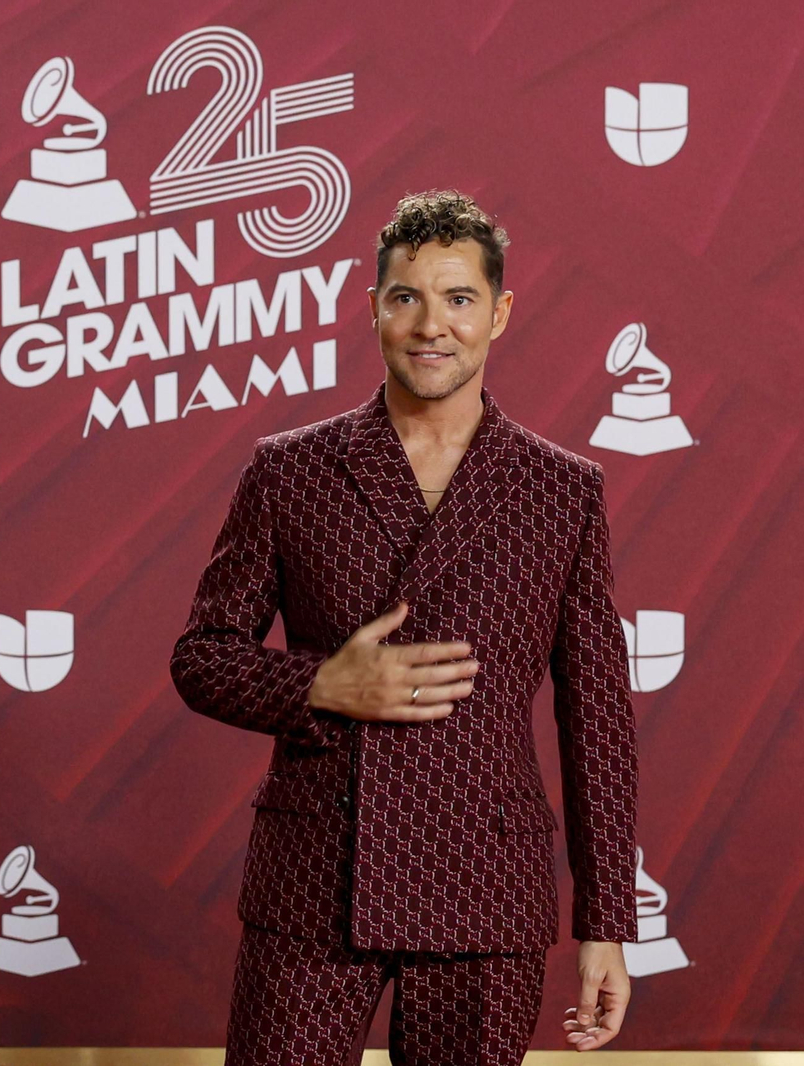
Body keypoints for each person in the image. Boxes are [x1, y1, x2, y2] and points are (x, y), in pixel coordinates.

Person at [170, 189, 639, 1064]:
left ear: (499, 312)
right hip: (314, 879)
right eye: (406, 297)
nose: (432, 325)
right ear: (373, 308)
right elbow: (202, 658)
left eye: (459, 298)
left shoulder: (561, 490)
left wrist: (606, 923)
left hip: (483, 883)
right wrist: (319, 684)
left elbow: (598, 719)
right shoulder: (290, 471)